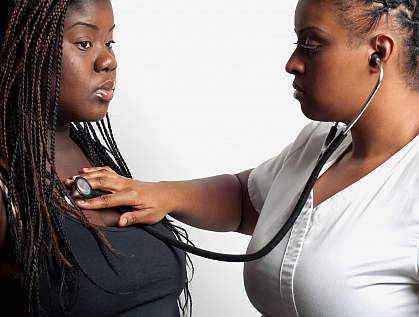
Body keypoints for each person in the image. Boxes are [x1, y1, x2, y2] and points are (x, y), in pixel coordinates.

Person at [70, 0, 419, 316]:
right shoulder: (321, 144)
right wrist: (159, 194)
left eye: (311, 46)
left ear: (378, 52)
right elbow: (244, 200)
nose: (292, 63)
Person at [0, 0, 192, 316]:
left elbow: (242, 198)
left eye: (109, 42)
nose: (108, 60)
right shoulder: (9, 187)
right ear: (25, 48)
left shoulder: (96, 159)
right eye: (85, 43)